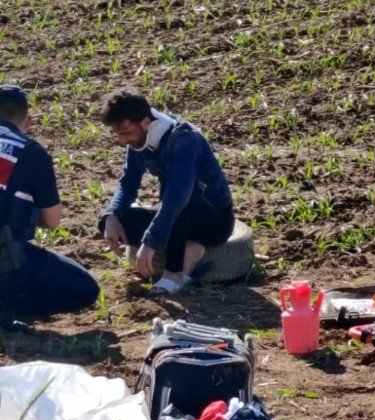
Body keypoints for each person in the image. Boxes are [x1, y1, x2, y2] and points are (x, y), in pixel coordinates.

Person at [99, 89, 234, 297]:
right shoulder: (138, 142)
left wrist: (151, 241)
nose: (121, 140)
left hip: (213, 221)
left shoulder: (185, 140)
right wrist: (111, 215)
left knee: (177, 196)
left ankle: (174, 273)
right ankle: (190, 249)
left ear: (145, 122)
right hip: (177, 215)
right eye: (117, 134)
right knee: (113, 219)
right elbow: (127, 186)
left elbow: (177, 198)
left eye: (125, 132)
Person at [0, 85, 99, 325]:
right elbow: (53, 221)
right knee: (85, 288)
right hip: (4, 259)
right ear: (29, 121)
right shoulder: (32, 152)